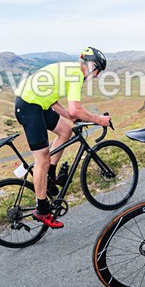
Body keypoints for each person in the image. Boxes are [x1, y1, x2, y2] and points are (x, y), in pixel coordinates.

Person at [14, 47, 111, 228]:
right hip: (29, 106)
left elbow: (52, 98)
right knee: (42, 159)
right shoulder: (76, 75)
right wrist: (99, 120)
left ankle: (50, 176)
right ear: (90, 66)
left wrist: (69, 115)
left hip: (38, 104)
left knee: (66, 130)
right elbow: (76, 109)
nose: (97, 76)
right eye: (98, 71)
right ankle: (41, 210)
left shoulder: (69, 69)